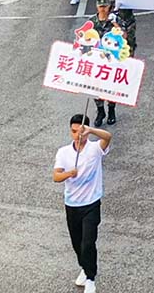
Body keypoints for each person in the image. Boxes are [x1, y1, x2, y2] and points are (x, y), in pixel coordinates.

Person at [53, 113, 112, 293]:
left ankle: (91, 278)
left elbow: (108, 137)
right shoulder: (63, 152)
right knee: (77, 243)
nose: (77, 135)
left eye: (81, 131)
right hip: (72, 204)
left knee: (88, 242)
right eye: (73, 131)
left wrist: (91, 130)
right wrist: (69, 174)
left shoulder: (95, 149)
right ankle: (85, 268)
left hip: (91, 204)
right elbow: (56, 176)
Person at [91, 0, 121, 126]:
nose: (102, 9)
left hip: (111, 59)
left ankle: (111, 110)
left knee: (111, 86)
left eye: (105, 6)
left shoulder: (114, 21)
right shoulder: (92, 22)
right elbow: (85, 39)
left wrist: (115, 24)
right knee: (96, 86)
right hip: (96, 58)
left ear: (109, 7)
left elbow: (123, 37)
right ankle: (100, 111)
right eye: (100, 6)